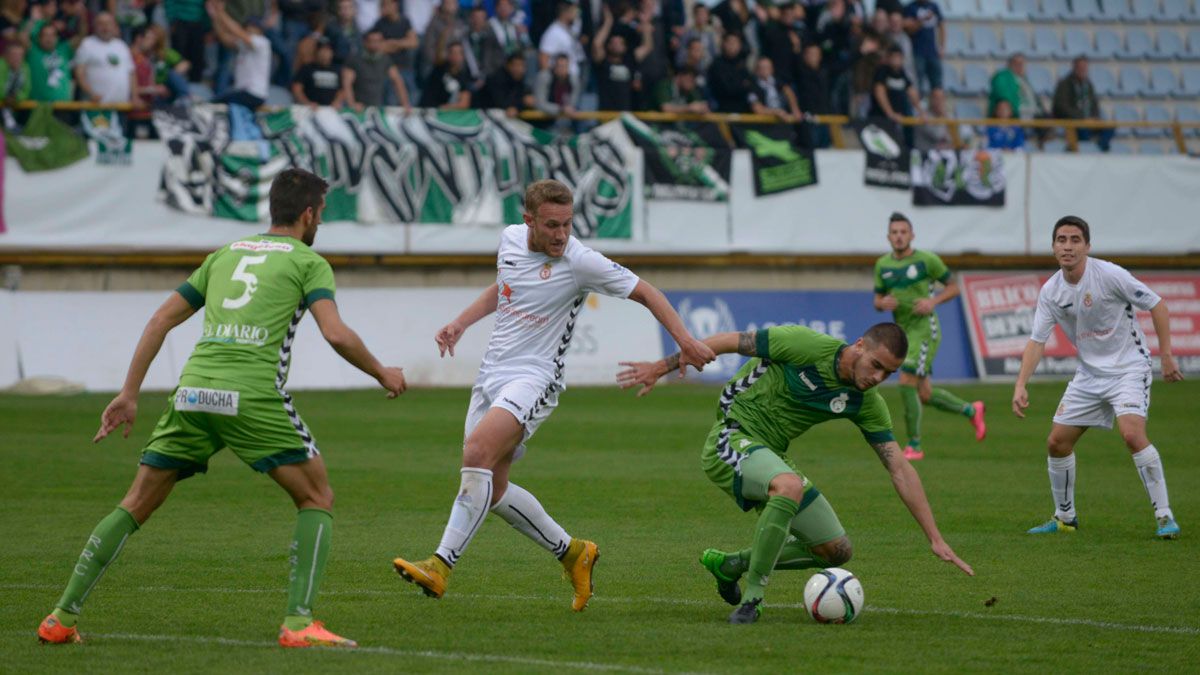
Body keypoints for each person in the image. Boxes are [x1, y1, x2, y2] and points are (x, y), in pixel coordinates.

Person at [36, 168, 408, 648]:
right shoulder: (308, 261)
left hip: (192, 392)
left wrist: (129, 394)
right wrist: (382, 372)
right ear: (309, 214)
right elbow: (334, 333)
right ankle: (298, 624)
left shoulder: (224, 255)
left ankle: (61, 617)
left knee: (134, 504)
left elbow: (159, 320)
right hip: (250, 395)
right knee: (317, 498)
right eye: (322, 214)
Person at [392, 179, 716, 611]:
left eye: (567, 224)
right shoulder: (509, 240)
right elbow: (505, 286)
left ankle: (440, 565)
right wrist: (461, 322)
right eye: (551, 225)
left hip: (535, 377)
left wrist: (686, 342)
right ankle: (573, 552)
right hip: (492, 375)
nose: (561, 234)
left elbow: (647, 292)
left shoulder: (581, 261)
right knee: (494, 486)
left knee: (476, 454)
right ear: (528, 221)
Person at [617, 322, 973, 624]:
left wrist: (935, 537)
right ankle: (753, 598)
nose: (878, 377)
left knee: (837, 551)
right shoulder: (807, 345)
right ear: (860, 345)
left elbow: (899, 467)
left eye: (888, 374)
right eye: (876, 365)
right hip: (731, 436)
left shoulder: (865, 402)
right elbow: (730, 341)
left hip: (770, 454)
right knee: (788, 485)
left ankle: (731, 565)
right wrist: (660, 368)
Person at [1013, 216, 1182, 540]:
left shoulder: (1109, 275)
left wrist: (1166, 354)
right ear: (1053, 247)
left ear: (1087, 246)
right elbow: (1037, 340)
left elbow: (1157, 305)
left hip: (1129, 367)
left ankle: (1164, 516)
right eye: (1061, 240)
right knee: (1056, 443)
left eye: (1075, 240)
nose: (1068, 246)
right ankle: (1065, 518)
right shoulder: (1051, 291)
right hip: (1089, 375)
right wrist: (1021, 383)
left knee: (1132, 434)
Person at [873, 212, 985, 460]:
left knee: (905, 381)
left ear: (912, 235)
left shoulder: (927, 260)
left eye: (904, 232)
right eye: (895, 232)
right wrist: (883, 303)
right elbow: (877, 299)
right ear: (888, 237)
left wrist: (933, 301)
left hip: (925, 329)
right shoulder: (883, 265)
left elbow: (954, 287)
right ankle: (971, 410)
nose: (899, 236)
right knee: (924, 394)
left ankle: (914, 445)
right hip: (903, 331)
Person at [205, 0, 271, 109]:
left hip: (253, 93)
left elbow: (238, 31)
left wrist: (221, 12)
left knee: (215, 105)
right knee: (216, 104)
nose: (249, 28)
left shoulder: (262, 42)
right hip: (243, 93)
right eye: (247, 26)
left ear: (259, 30)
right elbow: (224, 39)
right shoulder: (243, 44)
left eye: (252, 26)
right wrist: (215, 17)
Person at [72, 12, 135, 104]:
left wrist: (134, 96)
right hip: (95, 106)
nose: (105, 27)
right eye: (101, 23)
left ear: (114, 26)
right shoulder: (87, 44)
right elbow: (79, 73)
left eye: (108, 23)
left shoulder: (122, 46)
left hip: (121, 106)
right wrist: (91, 93)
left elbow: (131, 73)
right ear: (94, 26)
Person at [1052, 56, 1111, 152]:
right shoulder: (1065, 84)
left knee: (1110, 127)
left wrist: (1094, 117)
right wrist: (1083, 118)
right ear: (1074, 68)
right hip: (1074, 121)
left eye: (1085, 67)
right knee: (1083, 130)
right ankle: (1086, 153)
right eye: (1081, 67)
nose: (1083, 70)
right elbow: (1061, 107)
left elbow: (1094, 105)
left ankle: (1100, 148)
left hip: (1089, 120)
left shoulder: (1088, 84)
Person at [342, 29, 410, 111]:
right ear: (365, 42)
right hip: (359, 107)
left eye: (378, 41)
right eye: (372, 41)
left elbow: (397, 81)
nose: (375, 44)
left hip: (377, 107)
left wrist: (405, 104)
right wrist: (352, 104)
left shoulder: (385, 60)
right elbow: (346, 84)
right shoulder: (354, 60)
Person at [901, 0, 943, 95]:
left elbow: (941, 26)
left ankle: (936, 107)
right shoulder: (910, 8)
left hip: (932, 52)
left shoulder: (934, 6)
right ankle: (919, 104)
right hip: (917, 52)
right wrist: (922, 20)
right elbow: (909, 31)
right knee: (918, 82)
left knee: (937, 84)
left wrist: (942, 46)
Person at [474, 51, 533, 116]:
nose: (519, 69)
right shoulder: (496, 79)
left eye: (522, 65)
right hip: (483, 115)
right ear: (507, 65)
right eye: (516, 65)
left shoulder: (520, 80)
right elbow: (502, 104)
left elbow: (526, 98)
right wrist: (522, 102)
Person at [293, 37, 344, 108]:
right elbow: (297, 88)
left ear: (332, 53)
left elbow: (341, 90)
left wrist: (337, 102)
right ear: (316, 52)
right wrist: (306, 103)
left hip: (330, 109)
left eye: (328, 50)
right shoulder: (307, 68)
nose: (324, 53)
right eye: (321, 49)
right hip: (310, 109)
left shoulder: (336, 70)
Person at [419, 40, 470, 109]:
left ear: (463, 56)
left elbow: (464, 103)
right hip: (432, 111)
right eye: (453, 52)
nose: (456, 56)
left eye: (459, 53)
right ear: (448, 55)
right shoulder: (438, 71)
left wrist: (447, 107)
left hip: (450, 113)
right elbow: (428, 99)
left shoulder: (465, 75)